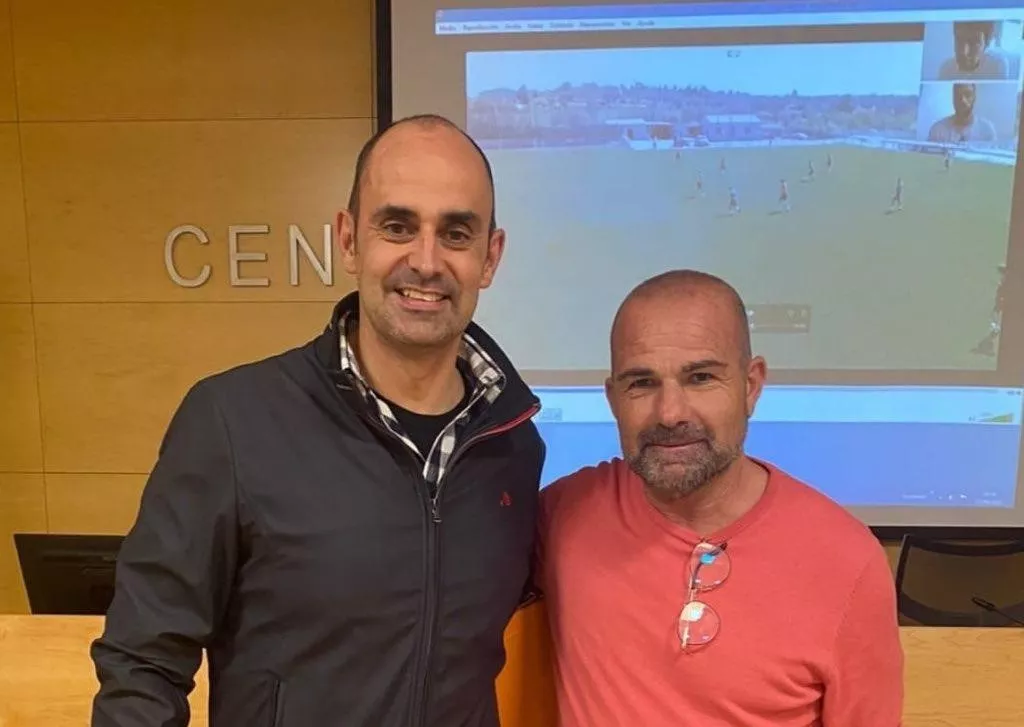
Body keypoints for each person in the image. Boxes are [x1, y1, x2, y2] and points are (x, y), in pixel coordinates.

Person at [90, 114, 546, 727]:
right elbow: (141, 663)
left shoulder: (512, 444)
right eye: (397, 225)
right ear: (350, 238)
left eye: (456, 233)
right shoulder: (232, 421)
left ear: (489, 258)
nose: (426, 260)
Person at [537, 270, 903, 727]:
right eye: (642, 383)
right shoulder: (564, 517)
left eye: (701, 377)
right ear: (613, 399)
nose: (670, 413)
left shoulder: (848, 563)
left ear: (751, 385)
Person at [938, 20, 1013, 80]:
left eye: (974, 42)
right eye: (959, 39)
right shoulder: (946, 68)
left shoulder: (997, 65)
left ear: (986, 45)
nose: (964, 52)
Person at [928, 82, 997, 144]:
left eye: (967, 95)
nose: (963, 100)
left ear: (974, 98)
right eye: (958, 95)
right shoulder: (937, 130)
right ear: (953, 98)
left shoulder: (986, 130)